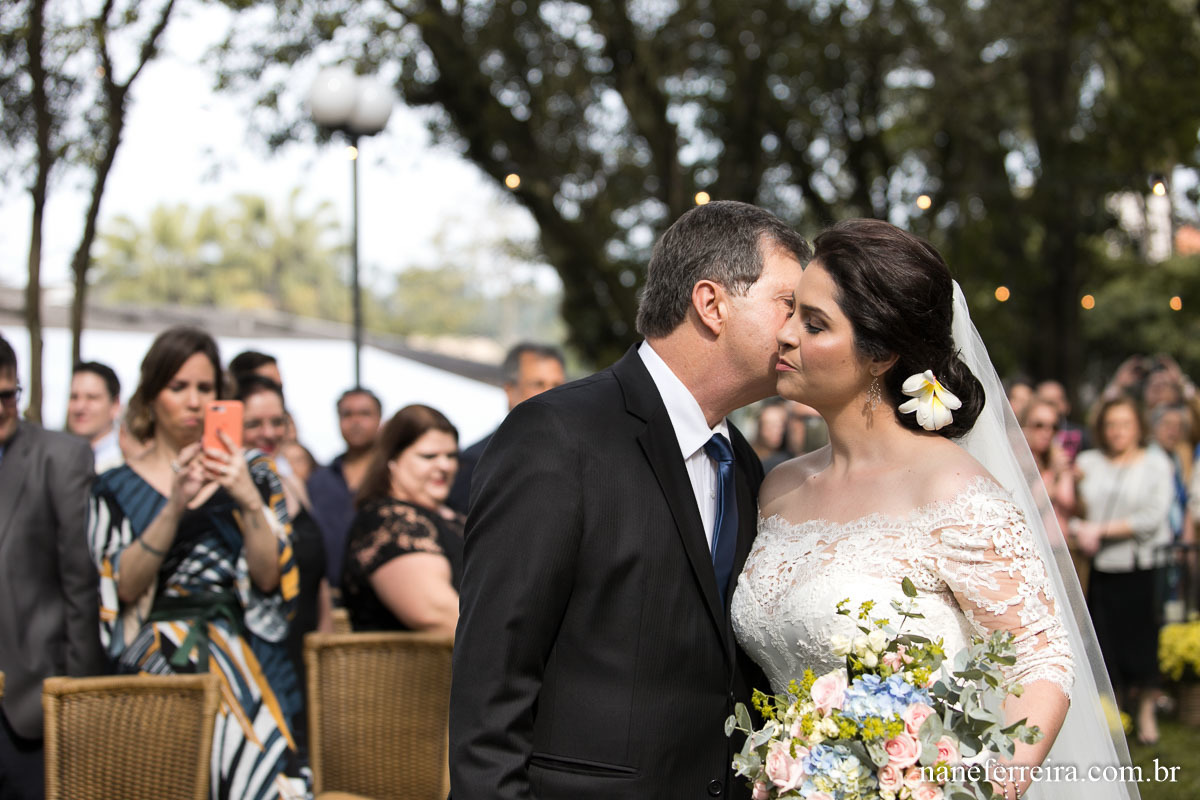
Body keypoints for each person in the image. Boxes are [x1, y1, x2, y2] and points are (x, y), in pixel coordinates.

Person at [732, 219, 1134, 800]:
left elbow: (1041, 662)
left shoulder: (952, 491)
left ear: (882, 354)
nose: (785, 335)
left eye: (814, 323)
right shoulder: (779, 486)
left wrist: (976, 790)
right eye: (791, 311)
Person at [449, 200, 810, 800]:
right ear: (712, 303)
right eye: (787, 304)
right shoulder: (558, 437)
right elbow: (492, 680)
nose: (797, 330)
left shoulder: (743, 464)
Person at [86, 326, 305, 800]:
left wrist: (247, 498)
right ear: (151, 397)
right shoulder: (115, 487)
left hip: (244, 665)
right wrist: (174, 506)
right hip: (154, 668)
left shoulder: (255, 475)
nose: (192, 401)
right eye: (177, 387)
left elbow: (271, 580)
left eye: (205, 389)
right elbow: (121, 590)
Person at [0, 335, 105, 800]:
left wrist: (77, 705)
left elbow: (80, 586)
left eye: (6, 395)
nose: (0, 408)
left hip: (28, 708)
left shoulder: (61, 457)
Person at [236, 375, 334, 755]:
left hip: (304, 651)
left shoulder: (291, 482)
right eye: (255, 423)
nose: (269, 432)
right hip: (259, 656)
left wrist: (324, 642)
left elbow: (317, 573)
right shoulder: (229, 491)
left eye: (277, 422)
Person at [1071, 395, 1173, 746]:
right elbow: (1071, 507)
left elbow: (1152, 517)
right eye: (1112, 424)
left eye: (1125, 424)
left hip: (1141, 567)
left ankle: (1145, 708)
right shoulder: (1087, 462)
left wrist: (1099, 530)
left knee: (1143, 641)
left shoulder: (1156, 463)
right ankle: (1114, 716)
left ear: (1138, 427)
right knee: (1105, 644)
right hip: (1100, 569)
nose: (1118, 431)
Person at [342, 405, 463, 635]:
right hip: (418, 668)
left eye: (451, 456)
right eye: (429, 456)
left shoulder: (453, 516)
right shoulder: (389, 521)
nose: (445, 466)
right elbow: (436, 614)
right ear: (392, 460)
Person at [446, 342, 566, 514]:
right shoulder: (476, 462)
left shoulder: (578, 459)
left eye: (557, 386)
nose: (550, 394)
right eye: (538, 384)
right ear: (510, 391)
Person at [307, 387, 382, 589]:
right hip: (330, 597)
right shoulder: (319, 481)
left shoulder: (394, 477)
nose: (356, 421)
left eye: (365, 414)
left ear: (380, 420)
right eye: (347, 414)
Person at [1020, 398, 1080, 586]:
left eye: (1053, 427)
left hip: (1061, 549)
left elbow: (1068, 501)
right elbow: (1031, 506)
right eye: (1039, 425)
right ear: (1023, 427)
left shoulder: (1056, 458)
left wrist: (1065, 473)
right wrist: (1053, 474)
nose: (1047, 432)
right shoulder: (1018, 464)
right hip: (1031, 551)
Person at [68, 360, 124, 473]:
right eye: (74, 397)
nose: (80, 407)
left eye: (92, 397)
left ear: (115, 404)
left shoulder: (126, 464)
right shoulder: (56, 460)